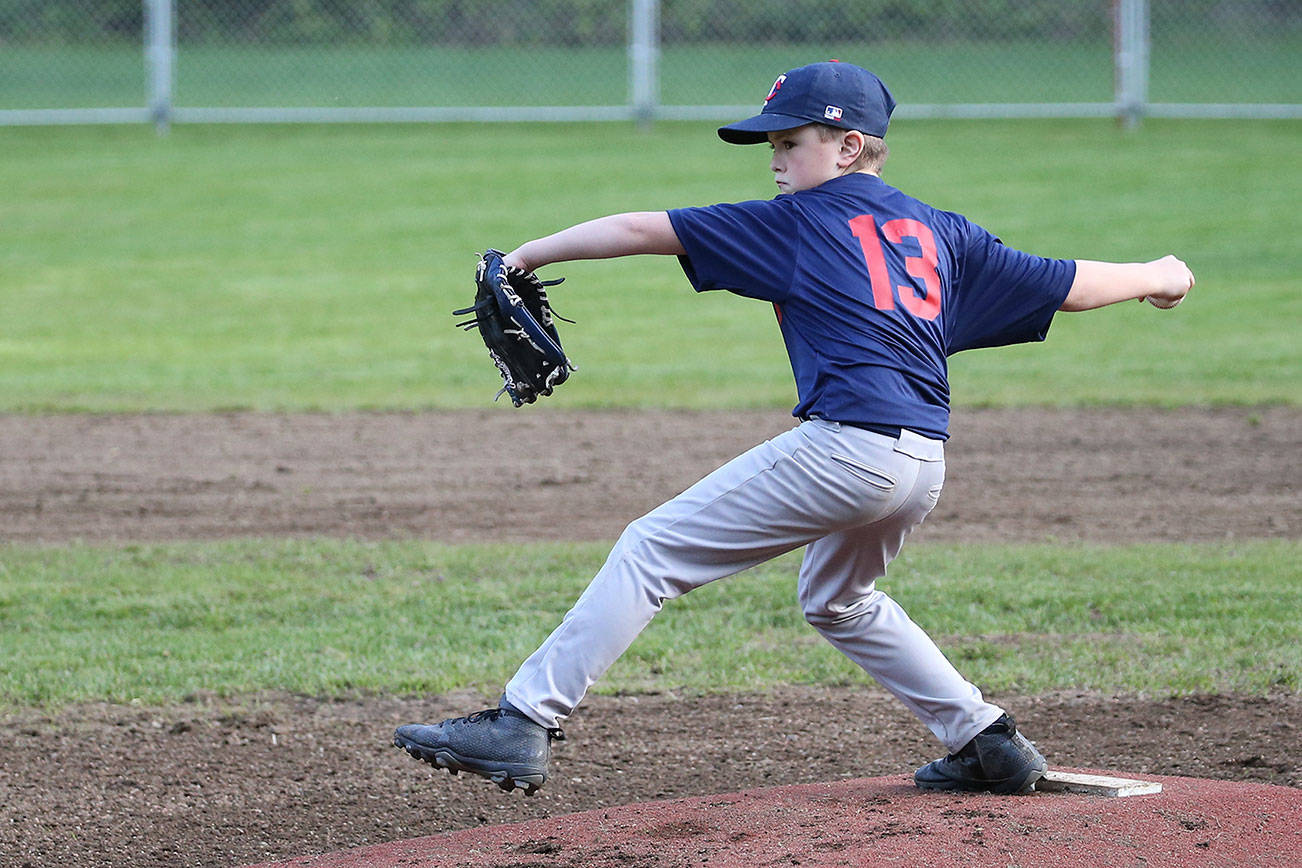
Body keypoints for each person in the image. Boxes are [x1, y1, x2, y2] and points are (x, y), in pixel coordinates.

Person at [394, 61, 1194, 797]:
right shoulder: (942, 234)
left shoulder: (800, 222)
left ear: (849, 147)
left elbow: (644, 228)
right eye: (769, 143)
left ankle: (523, 721)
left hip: (847, 447)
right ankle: (987, 740)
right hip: (921, 461)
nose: (774, 159)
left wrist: (522, 259)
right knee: (839, 599)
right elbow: (1074, 285)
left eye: (789, 141)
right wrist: (1162, 275)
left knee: (650, 548)